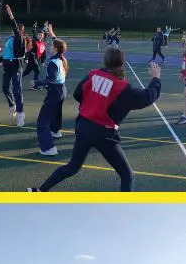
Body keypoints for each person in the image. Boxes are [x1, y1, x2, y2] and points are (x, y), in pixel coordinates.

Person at [29, 47, 161, 192]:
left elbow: (78, 93)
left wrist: (91, 106)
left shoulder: (93, 75)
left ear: (105, 61)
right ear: (122, 64)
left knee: (73, 167)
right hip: (103, 134)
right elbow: (148, 97)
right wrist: (156, 78)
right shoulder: (123, 88)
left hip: (83, 127)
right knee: (127, 175)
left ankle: (40, 191)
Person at [37, 38, 69, 156]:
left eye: (52, 45)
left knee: (42, 121)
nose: (50, 47)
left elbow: (50, 80)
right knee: (56, 113)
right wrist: (52, 34)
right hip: (62, 90)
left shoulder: (53, 62)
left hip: (55, 91)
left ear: (56, 49)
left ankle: (48, 148)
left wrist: (37, 83)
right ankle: (56, 131)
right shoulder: (62, 59)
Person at [0, 4, 28, 126]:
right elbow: (7, 51)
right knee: (5, 87)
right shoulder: (11, 39)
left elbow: (15, 27)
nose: (14, 30)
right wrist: (2, 60)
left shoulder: (19, 38)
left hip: (16, 66)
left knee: (17, 90)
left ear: (20, 31)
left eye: (16, 29)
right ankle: (13, 106)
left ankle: (21, 114)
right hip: (8, 66)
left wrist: (11, 16)